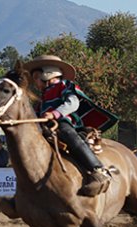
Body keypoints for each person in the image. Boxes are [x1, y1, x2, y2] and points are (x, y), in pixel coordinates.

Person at [23, 55, 111, 196]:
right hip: (44, 127)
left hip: (63, 123)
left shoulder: (64, 86)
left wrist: (54, 114)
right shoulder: (42, 98)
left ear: (48, 75)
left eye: (36, 78)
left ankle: (98, 170)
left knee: (67, 133)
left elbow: (73, 103)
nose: (34, 83)